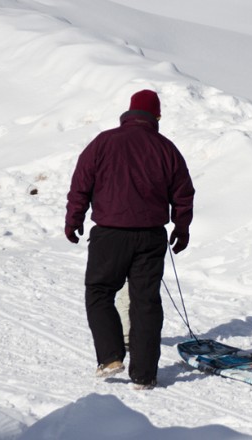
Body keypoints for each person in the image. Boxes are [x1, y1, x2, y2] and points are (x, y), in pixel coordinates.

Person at [65, 89, 194, 390]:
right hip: (151, 236)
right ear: (157, 116)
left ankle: (111, 357)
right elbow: (184, 194)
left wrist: (74, 220)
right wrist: (182, 228)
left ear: (129, 112)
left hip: (110, 233)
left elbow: (80, 185)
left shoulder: (103, 142)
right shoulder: (166, 148)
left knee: (99, 291)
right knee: (145, 301)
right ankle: (145, 374)